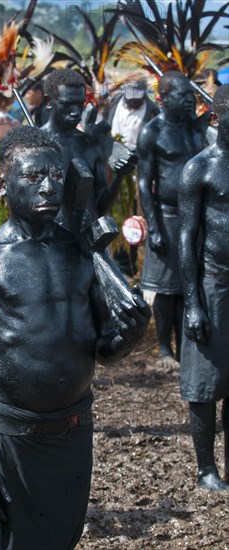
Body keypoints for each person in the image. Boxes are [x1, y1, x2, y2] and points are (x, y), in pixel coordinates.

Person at [0, 126, 151, 549]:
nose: (48, 187)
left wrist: (131, 336)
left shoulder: (81, 254)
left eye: (56, 176)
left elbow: (103, 351)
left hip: (73, 431)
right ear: (0, 186)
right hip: (13, 436)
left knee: (62, 539)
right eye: (32, 177)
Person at [137, 71, 207, 370]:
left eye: (191, 94)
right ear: (164, 99)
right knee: (165, 290)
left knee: (186, 285)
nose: (190, 100)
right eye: (183, 96)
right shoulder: (151, 132)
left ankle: (184, 346)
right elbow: (143, 182)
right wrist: (153, 227)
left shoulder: (195, 129)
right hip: (166, 218)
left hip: (195, 217)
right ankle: (165, 348)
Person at [178, 85, 229, 491]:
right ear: (215, 116)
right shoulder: (200, 168)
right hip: (212, 284)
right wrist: (193, 302)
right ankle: (205, 468)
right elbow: (186, 238)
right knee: (204, 386)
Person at [42, 69, 133, 222]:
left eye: (80, 104)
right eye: (68, 104)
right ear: (49, 101)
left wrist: (118, 177)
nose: (76, 112)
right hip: (48, 240)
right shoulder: (34, 145)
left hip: (85, 238)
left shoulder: (89, 144)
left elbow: (100, 207)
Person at [107, 75, 159, 152]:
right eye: (131, 99)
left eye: (137, 99)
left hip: (135, 154)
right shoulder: (116, 102)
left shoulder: (151, 110)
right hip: (111, 149)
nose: (134, 101)